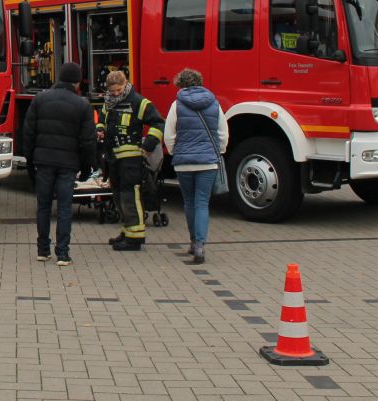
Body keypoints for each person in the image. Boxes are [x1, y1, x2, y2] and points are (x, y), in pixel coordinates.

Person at [21, 61, 97, 266]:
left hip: (43, 161)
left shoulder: (39, 99)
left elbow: (28, 133)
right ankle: (62, 254)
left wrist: (30, 161)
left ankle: (42, 250)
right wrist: (87, 166)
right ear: (77, 82)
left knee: (43, 206)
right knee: (64, 208)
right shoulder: (82, 104)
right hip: (68, 164)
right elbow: (88, 140)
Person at [163, 68, 228, 264]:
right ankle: (200, 245)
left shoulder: (176, 105)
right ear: (199, 82)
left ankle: (192, 242)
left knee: (189, 203)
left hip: (184, 163)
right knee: (202, 203)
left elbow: (169, 134)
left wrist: (176, 151)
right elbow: (223, 133)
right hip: (208, 162)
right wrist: (219, 151)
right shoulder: (214, 104)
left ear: (180, 85)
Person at [99, 70, 164, 252]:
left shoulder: (139, 102)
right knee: (118, 195)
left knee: (130, 195)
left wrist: (149, 144)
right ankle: (127, 231)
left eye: (119, 90)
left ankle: (135, 238)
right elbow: (102, 120)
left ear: (126, 84)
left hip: (131, 159)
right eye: (113, 91)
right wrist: (100, 129)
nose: (116, 94)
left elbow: (158, 123)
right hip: (114, 157)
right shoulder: (109, 102)